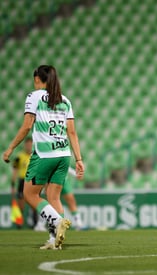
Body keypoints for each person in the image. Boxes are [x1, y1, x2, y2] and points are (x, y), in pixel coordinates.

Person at [2, 65, 84, 250]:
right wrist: (79, 159)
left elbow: (26, 126)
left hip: (45, 154)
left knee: (30, 194)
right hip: (64, 155)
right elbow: (72, 132)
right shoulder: (65, 101)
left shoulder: (34, 96)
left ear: (37, 79)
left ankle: (57, 221)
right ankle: (54, 240)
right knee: (53, 197)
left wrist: (10, 148)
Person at [10, 137, 37, 229]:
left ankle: (35, 223)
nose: (28, 146)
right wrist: (13, 184)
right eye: (27, 144)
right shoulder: (19, 157)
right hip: (22, 181)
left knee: (34, 203)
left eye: (30, 144)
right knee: (21, 204)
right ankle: (19, 223)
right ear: (25, 145)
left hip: (33, 181)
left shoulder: (35, 156)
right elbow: (15, 171)